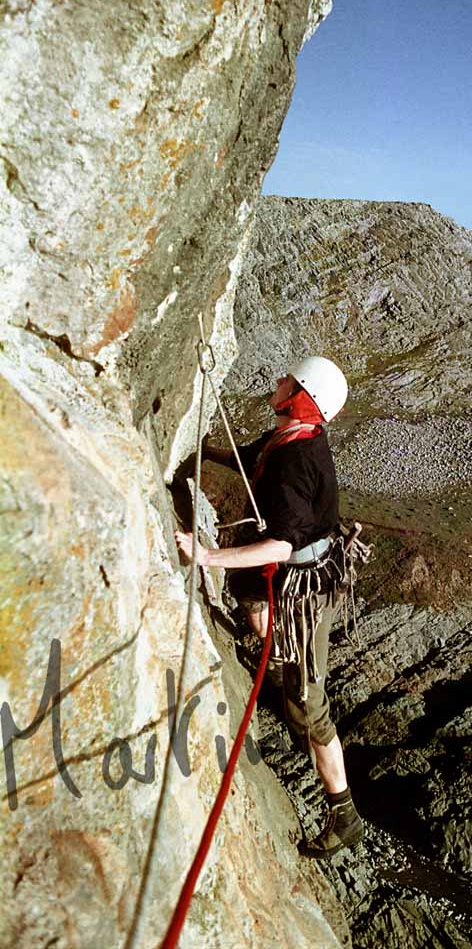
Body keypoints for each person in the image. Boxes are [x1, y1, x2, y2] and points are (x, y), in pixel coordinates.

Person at [175, 356, 364, 858]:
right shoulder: (288, 434)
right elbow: (248, 454)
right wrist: (200, 454)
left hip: (305, 583)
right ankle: (278, 662)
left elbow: (280, 547)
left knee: (310, 710)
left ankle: (344, 814)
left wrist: (206, 555)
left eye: (290, 381)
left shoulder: (297, 463)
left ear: (301, 398)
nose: (278, 381)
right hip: (294, 568)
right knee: (249, 595)